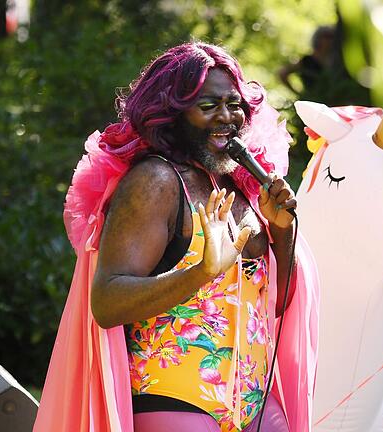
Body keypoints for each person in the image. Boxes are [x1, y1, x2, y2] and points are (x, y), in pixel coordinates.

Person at [34, 43, 320, 432]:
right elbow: (106, 301)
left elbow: (277, 303)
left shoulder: (244, 186)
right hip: (174, 402)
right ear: (173, 114)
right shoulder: (155, 182)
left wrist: (282, 232)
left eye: (234, 104)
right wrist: (200, 273)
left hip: (255, 405)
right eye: (208, 106)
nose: (227, 117)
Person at [278, 26, 336, 95]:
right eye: (327, 37)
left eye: (332, 37)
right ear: (318, 39)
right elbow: (282, 73)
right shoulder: (307, 61)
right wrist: (299, 94)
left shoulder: (337, 60)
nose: (331, 40)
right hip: (315, 100)